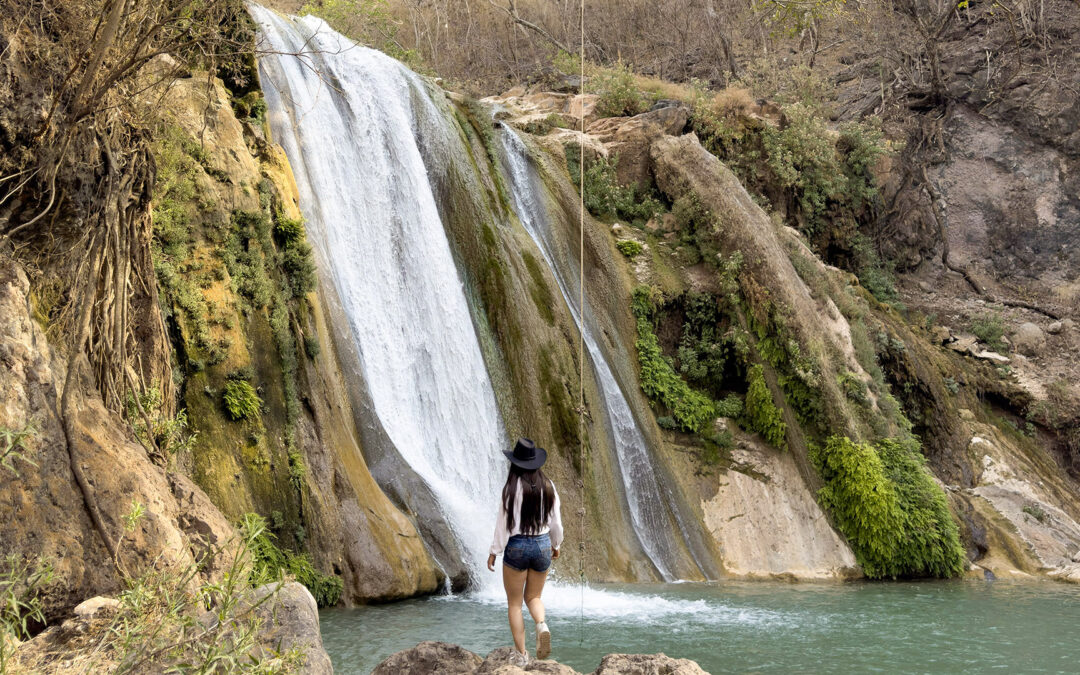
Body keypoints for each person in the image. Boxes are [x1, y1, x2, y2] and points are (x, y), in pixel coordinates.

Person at [488, 438, 563, 666]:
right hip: (541, 544)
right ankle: (542, 624)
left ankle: (522, 655)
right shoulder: (548, 487)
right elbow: (556, 522)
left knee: (514, 604)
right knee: (534, 597)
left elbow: (503, 525)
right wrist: (556, 545)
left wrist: (494, 551)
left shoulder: (510, 490)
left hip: (517, 546)